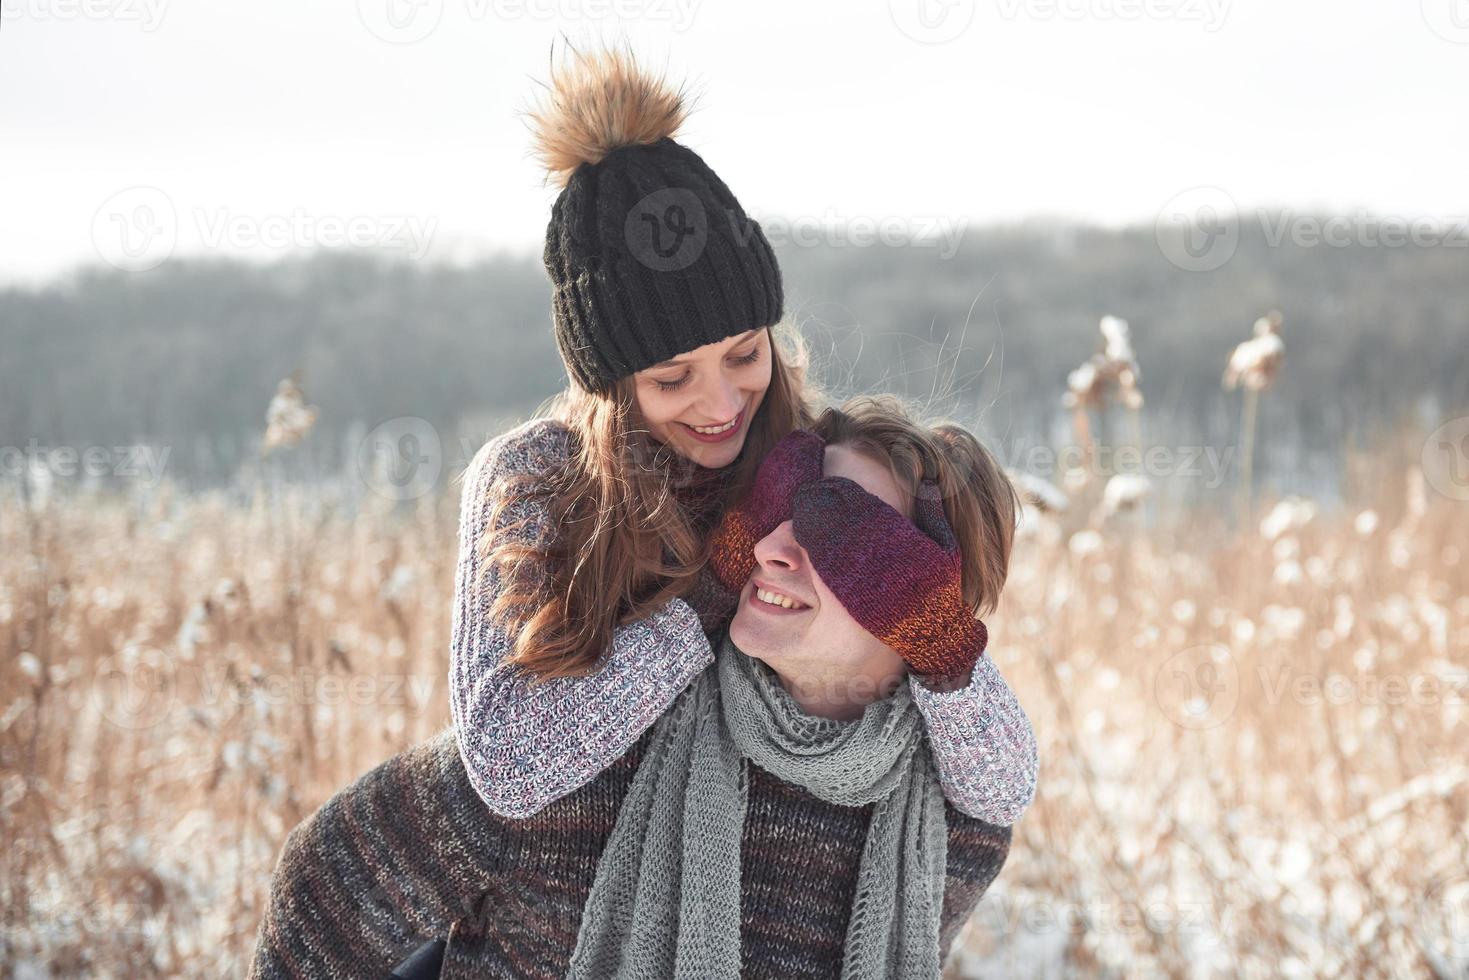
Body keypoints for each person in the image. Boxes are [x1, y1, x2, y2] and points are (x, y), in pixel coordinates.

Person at [450, 42, 1038, 831]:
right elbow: (508, 764)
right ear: (610, 382)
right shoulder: (534, 480)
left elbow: (1000, 791)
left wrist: (936, 636)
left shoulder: (814, 458)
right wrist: (716, 587)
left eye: (743, 354)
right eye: (671, 379)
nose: (721, 402)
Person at [249, 399, 1024, 979]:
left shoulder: (948, 827)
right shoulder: (593, 744)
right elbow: (325, 886)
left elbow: (1002, 776)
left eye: (846, 534)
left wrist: (943, 650)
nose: (775, 546)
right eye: (782, 507)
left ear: (926, 600)